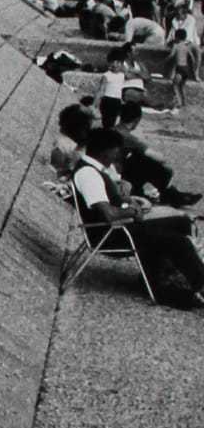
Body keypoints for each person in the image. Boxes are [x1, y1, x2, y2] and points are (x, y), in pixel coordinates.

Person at [72, 128, 204, 307]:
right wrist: (134, 212)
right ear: (107, 151)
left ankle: (167, 277)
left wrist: (130, 204)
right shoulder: (88, 175)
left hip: (122, 228)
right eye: (116, 151)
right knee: (180, 242)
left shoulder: (94, 169)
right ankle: (198, 283)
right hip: (113, 234)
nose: (117, 156)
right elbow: (109, 214)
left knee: (180, 223)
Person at [163, 27, 200, 110]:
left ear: (176, 37)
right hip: (186, 69)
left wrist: (165, 60)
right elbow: (192, 57)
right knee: (182, 86)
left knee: (174, 85)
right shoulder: (186, 47)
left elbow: (172, 55)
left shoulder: (176, 46)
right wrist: (193, 67)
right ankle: (184, 103)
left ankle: (178, 102)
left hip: (180, 69)